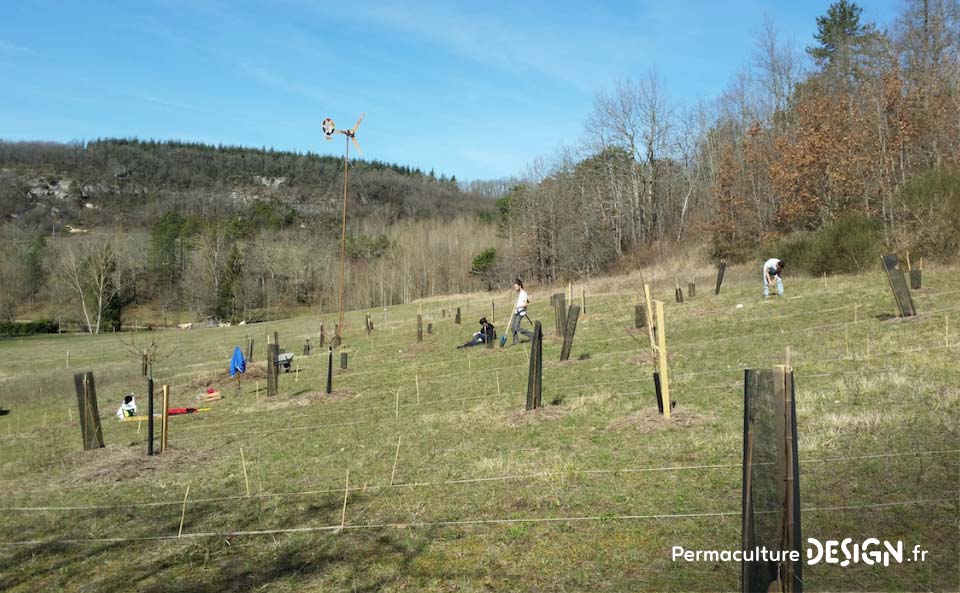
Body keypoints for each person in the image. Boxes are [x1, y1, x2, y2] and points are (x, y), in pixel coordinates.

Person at [510, 278, 535, 344]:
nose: (515, 288)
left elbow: (526, 304)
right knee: (512, 327)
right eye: (514, 287)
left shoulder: (523, 293)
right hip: (516, 312)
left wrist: (518, 306)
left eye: (515, 286)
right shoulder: (519, 293)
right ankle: (516, 341)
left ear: (519, 286)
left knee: (517, 328)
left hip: (521, 313)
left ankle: (532, 335)